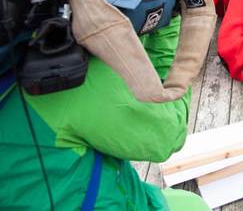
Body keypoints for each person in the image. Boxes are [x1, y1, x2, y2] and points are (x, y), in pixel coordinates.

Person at [0, 14, 212, 210]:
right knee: (194, 205)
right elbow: (168, 133)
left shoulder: (11, 65)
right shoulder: (66, 78)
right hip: (106, 200)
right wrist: (170, 22)